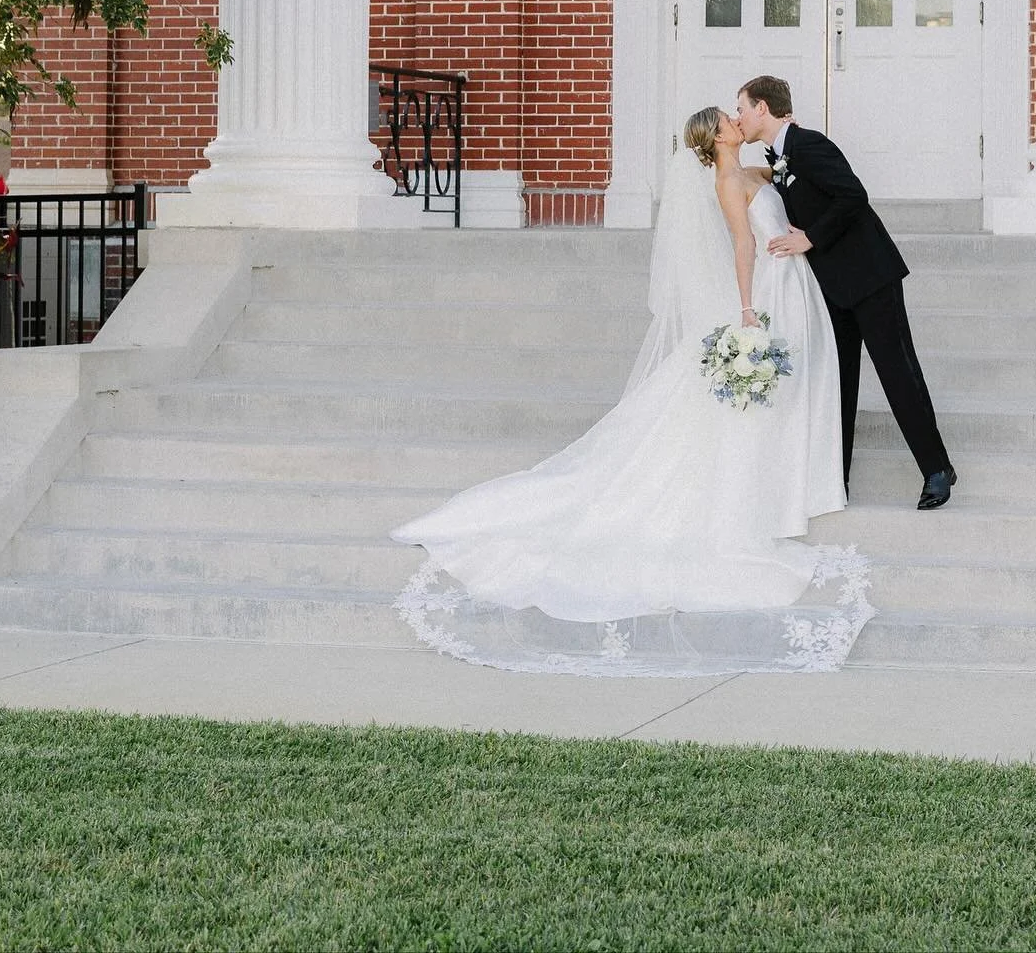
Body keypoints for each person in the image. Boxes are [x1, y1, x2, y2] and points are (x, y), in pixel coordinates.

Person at [389, 105, 872, 676]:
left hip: (790, 283)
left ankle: (790, 482)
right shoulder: (723, 180)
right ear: (716, 136)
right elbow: (743, 245)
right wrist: (746, 311)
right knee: (740, 403)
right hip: (763, 291)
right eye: (728, 119)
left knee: (776, 397)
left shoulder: (749, 171)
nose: (736, 120)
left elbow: (778, 181)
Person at [736, 74, 956, 510]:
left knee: (897, 371)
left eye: (741, 107)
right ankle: (836, 478)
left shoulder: (810, 144)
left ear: (762, 108)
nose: (739, 117)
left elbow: (853, 195)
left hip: (870, 276)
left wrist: (809, 238)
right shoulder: (780, 157)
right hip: (830, 289)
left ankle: (936, 468)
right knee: (839, 383)